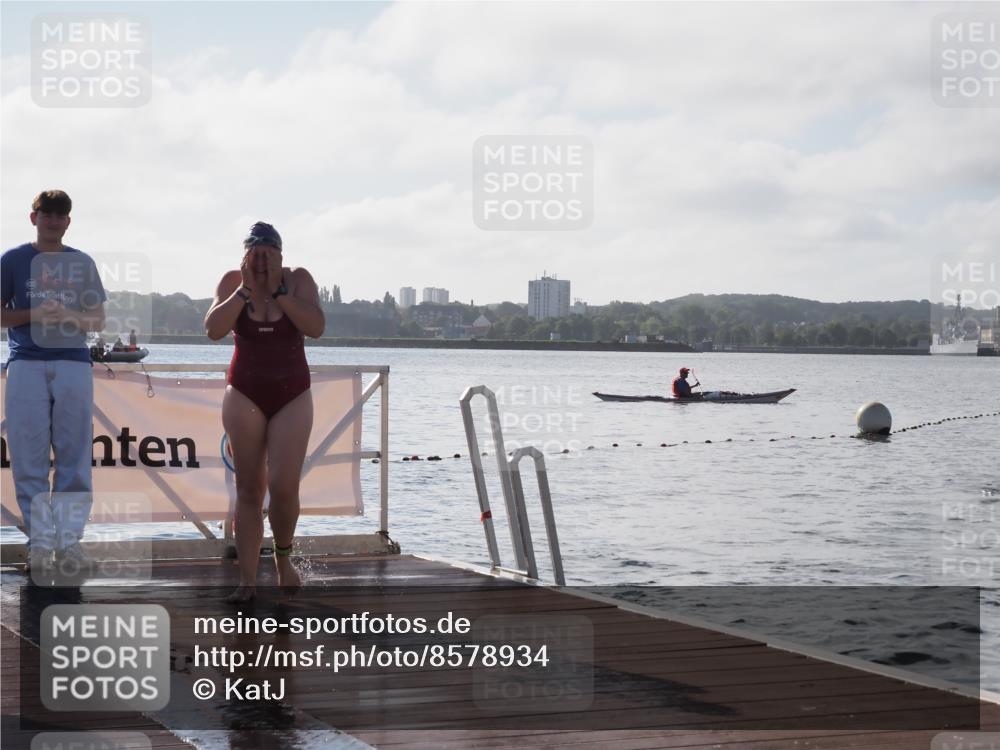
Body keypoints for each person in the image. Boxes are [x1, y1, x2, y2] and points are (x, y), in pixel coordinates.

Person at [204, 221, 325, 603]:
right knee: (249, 488)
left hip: (292, 393)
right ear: (243, 256)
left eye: (268, 255)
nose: (260, 262)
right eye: (254, 256)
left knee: (285, 486)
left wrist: (278, 291)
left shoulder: (299, 280)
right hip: (244, 391)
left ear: (281, 256)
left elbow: (317, 327)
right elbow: (212, 329)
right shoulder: (231, 282)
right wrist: (244, 290)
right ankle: (249, 578)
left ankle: (284, 559)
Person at [1, 190, 107, 574]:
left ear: (68, 221)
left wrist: (65, 314)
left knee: (74, 457)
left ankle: (69, 543)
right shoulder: (13, 259)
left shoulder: (81, 262)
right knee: (28, 459)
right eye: (46, 213)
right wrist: (33, 314)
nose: (53, 220)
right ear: (33, 218)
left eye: (60, 214)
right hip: (26, 364)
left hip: (73, 364)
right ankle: (40, 544)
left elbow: (96, 321)